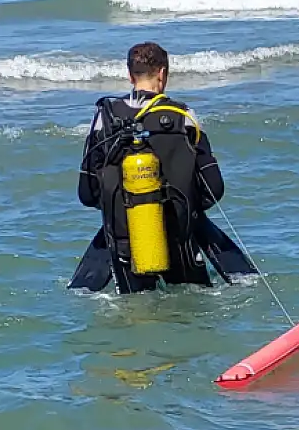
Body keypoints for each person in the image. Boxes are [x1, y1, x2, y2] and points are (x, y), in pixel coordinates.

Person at [68, 41, 256, 293]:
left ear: (129, 76)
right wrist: (185, 212)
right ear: (163, 73)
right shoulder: (184, 116)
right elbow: (215, 188)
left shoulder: (104, 118)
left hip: (125, 244)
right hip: (180, 241)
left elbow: (87, 194)